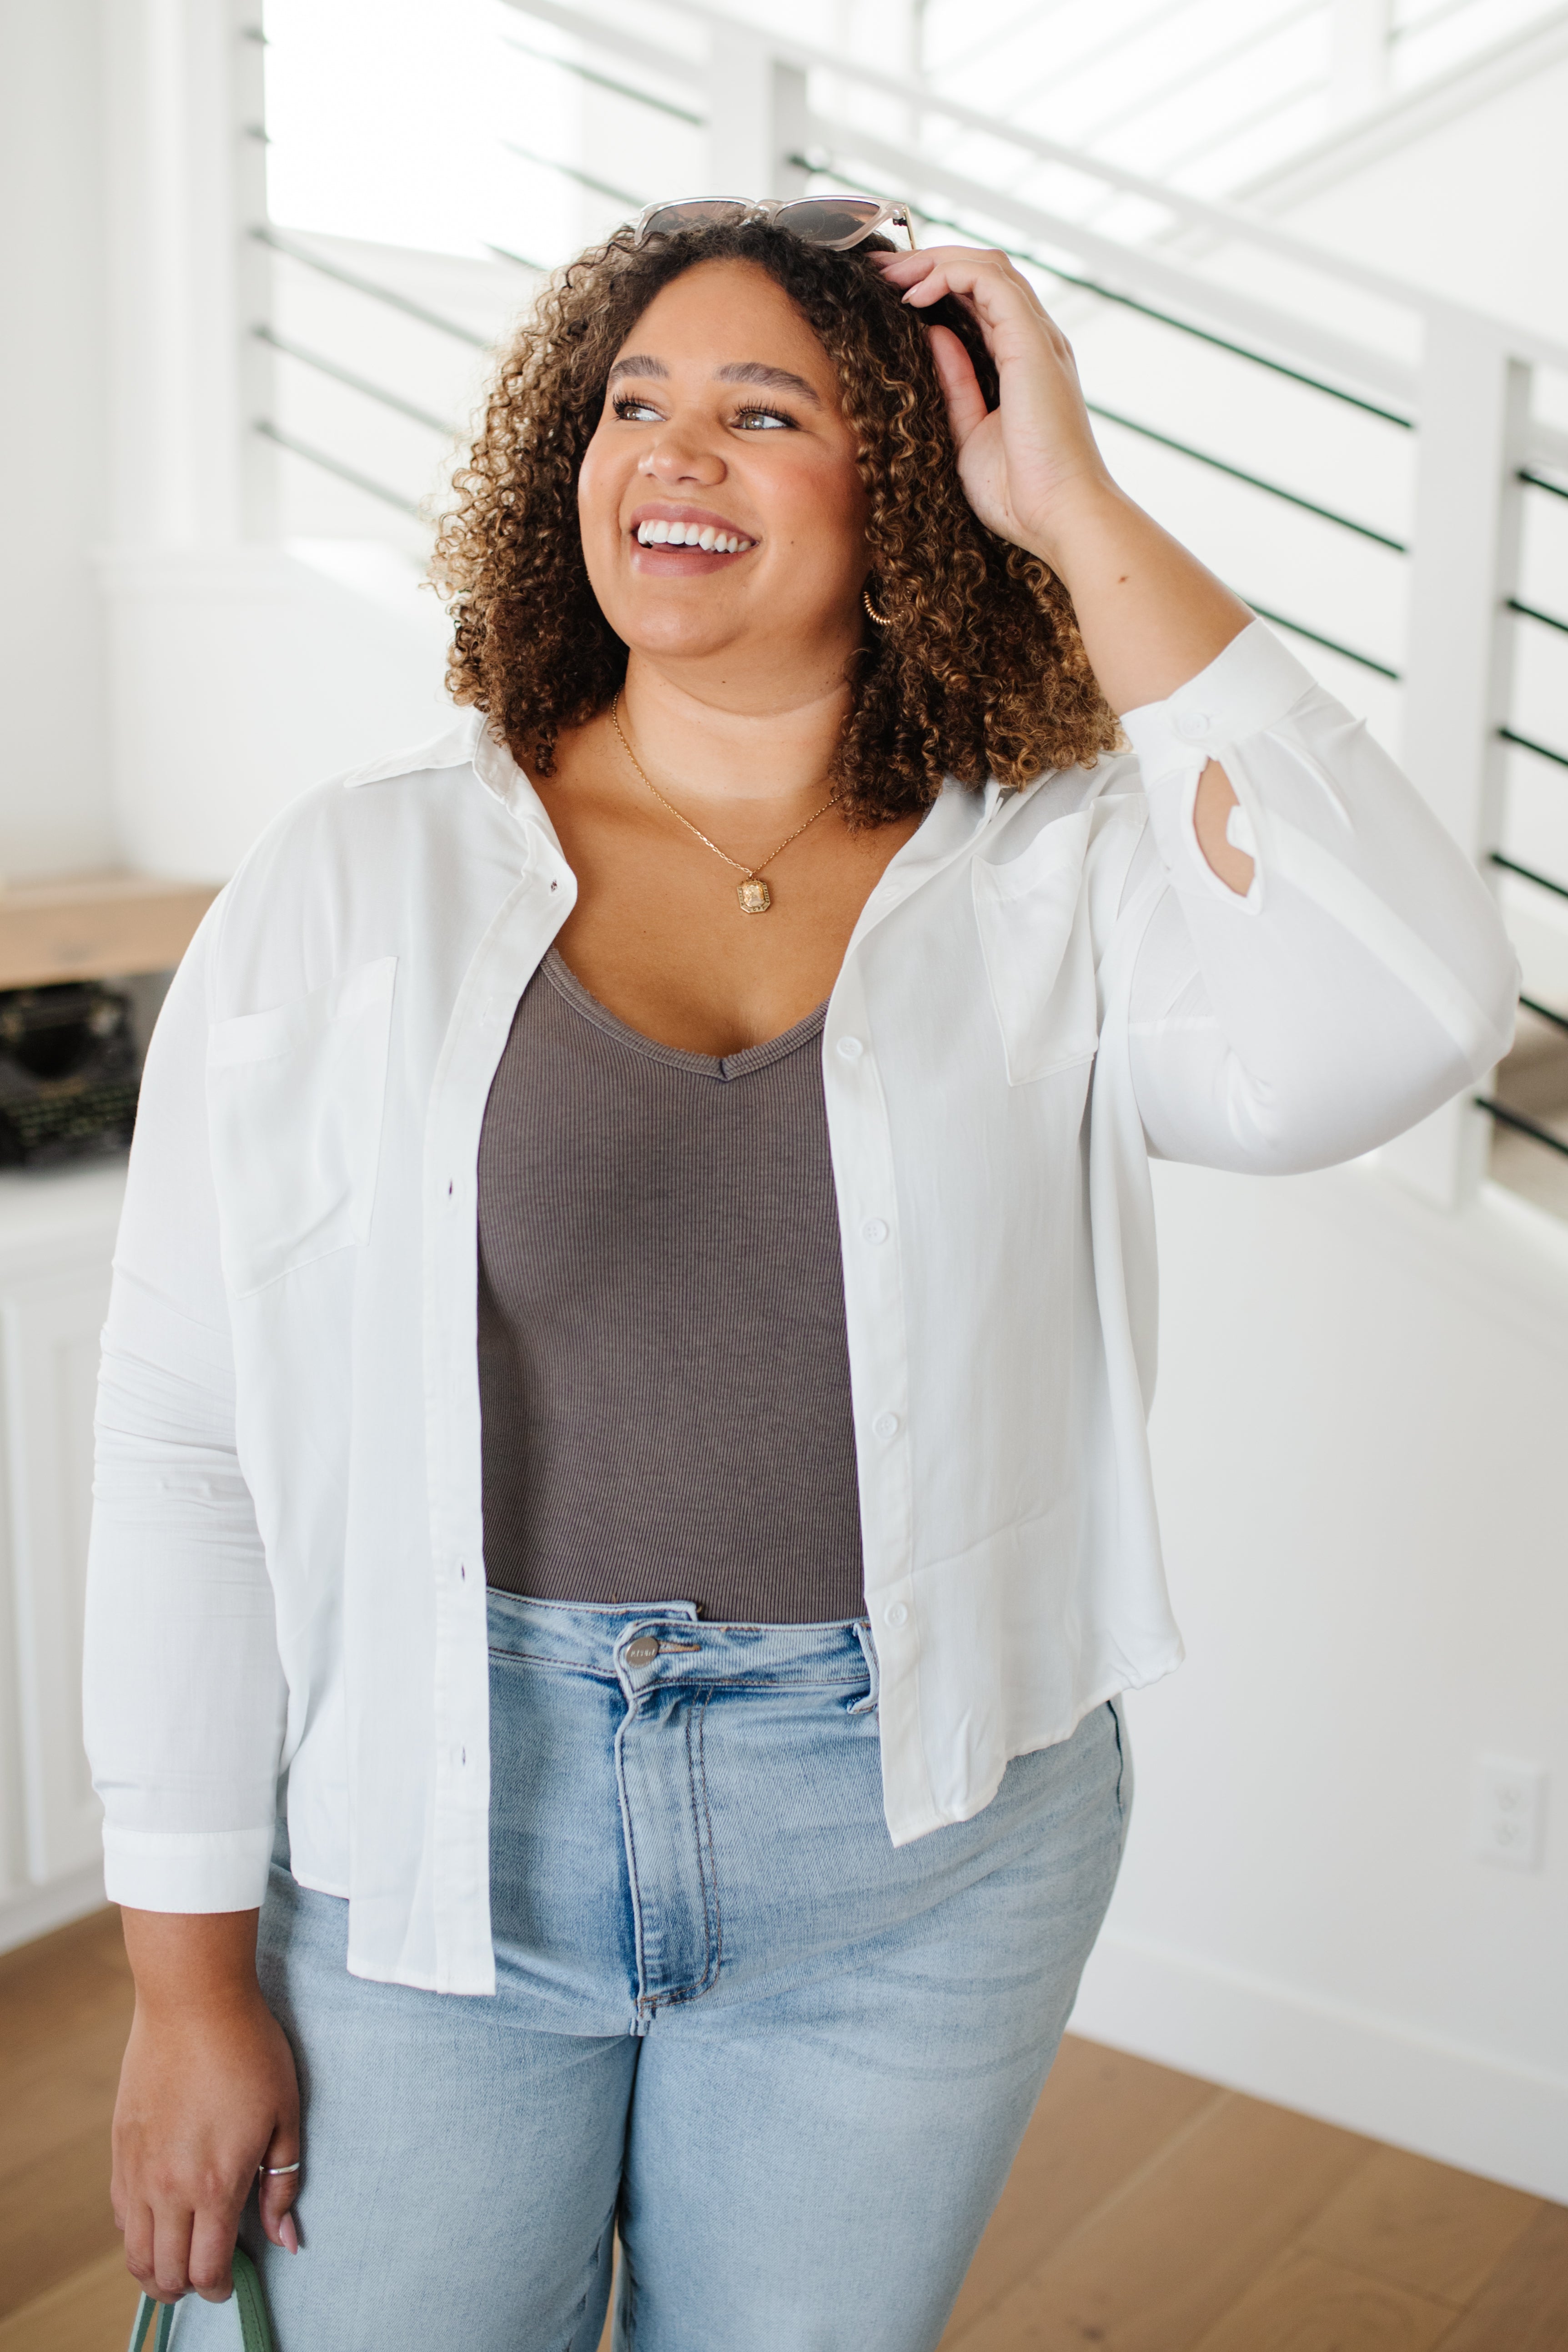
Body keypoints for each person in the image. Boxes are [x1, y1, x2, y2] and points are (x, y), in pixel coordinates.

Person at [85, 199, 1516, 2352]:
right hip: (435, 1828)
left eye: (765, 413)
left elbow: (1407, 1010)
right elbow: (187, 1443)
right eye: (633, 404)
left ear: (909, 490)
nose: (675, 453)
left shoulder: (1054, 881)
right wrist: (184, 1982)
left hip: (921, 1860)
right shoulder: (357, 876)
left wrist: (1074, 500)